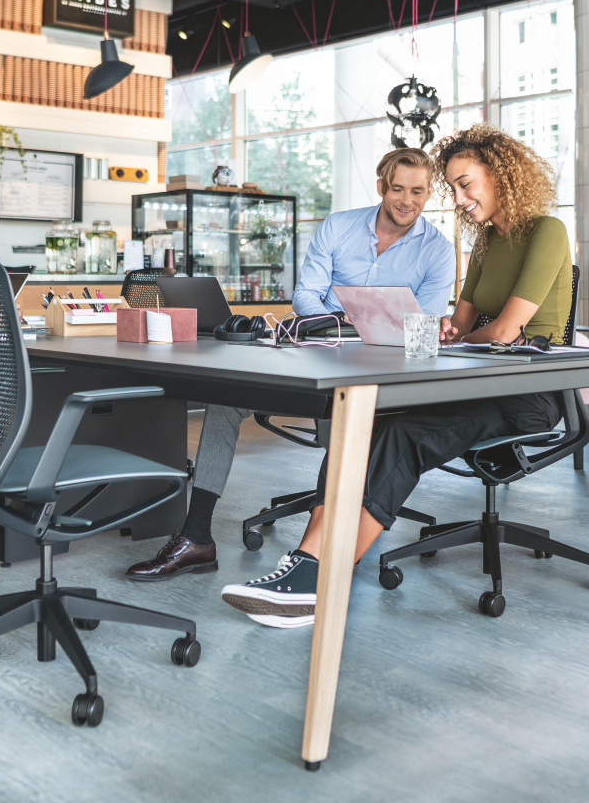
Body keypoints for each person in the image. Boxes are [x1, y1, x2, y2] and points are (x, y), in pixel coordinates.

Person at [218, 124, 571, 627]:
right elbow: (462, 326)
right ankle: (304, 566)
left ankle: (323, 579)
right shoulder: (487, 244)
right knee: (365, 428)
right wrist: (452, 329)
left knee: (402, 435)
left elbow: (505, 330)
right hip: (474, 383)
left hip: (526, 394)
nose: (459, 197)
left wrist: (460, 334)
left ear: (501, 177)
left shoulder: (547, 232)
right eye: (452, 187)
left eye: (465, 184)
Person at [123, 147, 456, 583]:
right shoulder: (338, 227)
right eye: (398, 189)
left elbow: (423, 327)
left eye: (417, 191)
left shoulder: (437, 251)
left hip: (379, 371)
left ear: (429, 192)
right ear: (381, 187)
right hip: (317, 350)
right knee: (226, 401)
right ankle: (196, 537)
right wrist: (333, 322)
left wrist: (364, 325)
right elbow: (305, 297)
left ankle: (316, 558)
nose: (407, 201)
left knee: (344, 420)